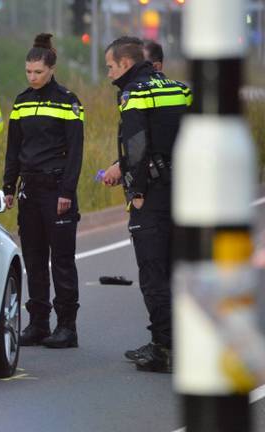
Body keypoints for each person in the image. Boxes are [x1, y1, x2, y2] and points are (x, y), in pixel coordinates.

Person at [100, 36, 192, 373]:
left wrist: (135, 190)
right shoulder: (179, 88)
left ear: (125, 63)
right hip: (182, 191)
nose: (108, 73)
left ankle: (163, 347)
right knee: (175, 270)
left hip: (151, 194)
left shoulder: (133, 92)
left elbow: (136, 145)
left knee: (153, 273)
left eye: (110, 66)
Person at [3, 33, 84, 349]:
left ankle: (67, 327)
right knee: (34, 259)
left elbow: (76, 151)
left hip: (57, 191)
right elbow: (13, 149)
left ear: (51, 68)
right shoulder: (21, 101)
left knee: (62, 260)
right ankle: (38, 323)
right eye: (28, 72)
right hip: (29, 191)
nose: (32, 77)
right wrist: (8, 187)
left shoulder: (68, 101)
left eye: (37, 72)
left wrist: (67, 191)